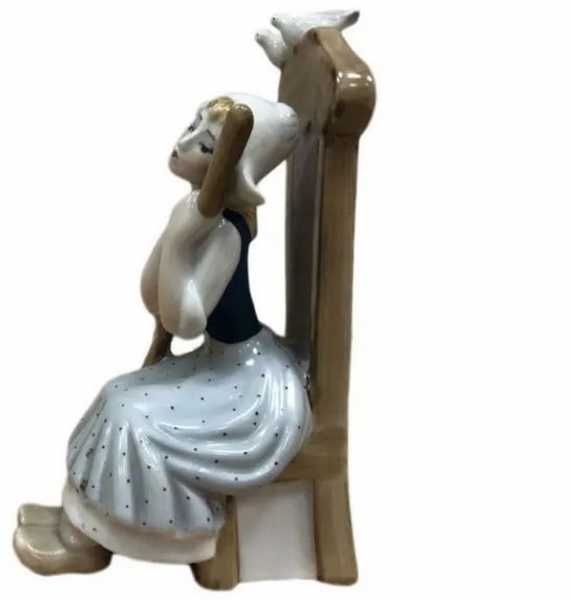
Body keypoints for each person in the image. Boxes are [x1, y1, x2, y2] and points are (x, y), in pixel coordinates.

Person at [14, 93, 312, 575]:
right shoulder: (197, 214)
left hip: (245, 379)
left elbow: (186, 321)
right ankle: (82, 517)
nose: (185, 142)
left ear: (233, 172)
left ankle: (103, 540)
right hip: (217, 361)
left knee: (131, 417)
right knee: (116, 392)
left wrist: (178, 241)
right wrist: (178, 234)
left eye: (207, 145)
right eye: (193, 126)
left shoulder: (226, 232)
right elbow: (153, 295)